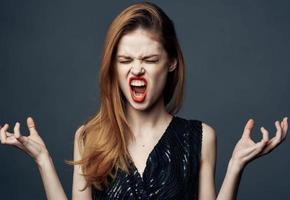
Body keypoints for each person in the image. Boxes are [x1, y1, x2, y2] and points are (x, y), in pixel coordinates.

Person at [0, 2, 288, 200]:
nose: (136, 69)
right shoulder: (90, 137)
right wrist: (43, 161)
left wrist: (236, 165)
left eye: (149, 59)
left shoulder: (199, 137)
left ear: (171, 62)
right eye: (125, 60)